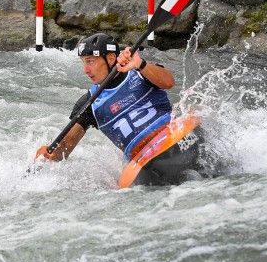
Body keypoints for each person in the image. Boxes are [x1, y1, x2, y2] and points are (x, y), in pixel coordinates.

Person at [35, 33, 202, 186]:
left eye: (90, 61)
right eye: (83, 62)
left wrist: (140, 64)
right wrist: (50, 155)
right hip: (144, 162)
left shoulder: (140, 71)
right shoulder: (88, 104)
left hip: (172, 138)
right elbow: (65, 149)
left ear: (111, 58)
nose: (86, 70)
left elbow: (169, 82)